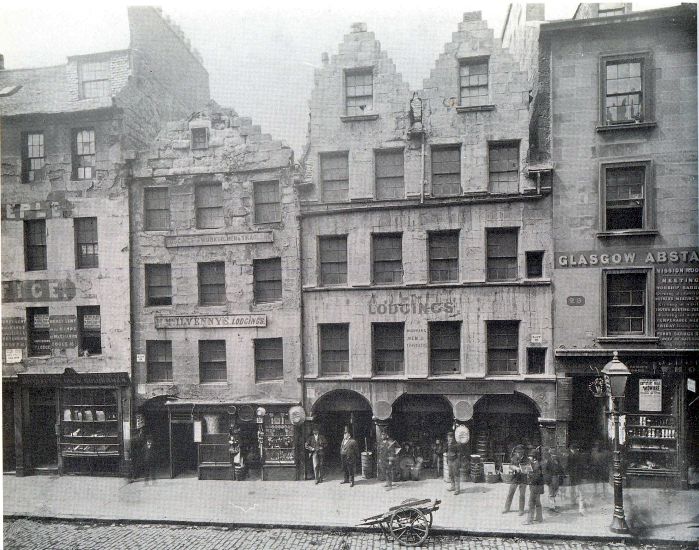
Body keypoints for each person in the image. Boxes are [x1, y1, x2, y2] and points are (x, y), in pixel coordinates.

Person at [503, 444, 528, 515]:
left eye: (519, 452)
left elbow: (529, 468)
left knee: (522, 495)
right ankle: (506, 508)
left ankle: (521, 510)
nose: (518, 454)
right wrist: (515, 468)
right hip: (515, 478)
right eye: (517, 452)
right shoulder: (514, 458)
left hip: (523, 479)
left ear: (523, 452)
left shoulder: (527, 459)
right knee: (510, 493)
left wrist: (524, 469)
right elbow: (510, 466)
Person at [523, 447, 544, 524]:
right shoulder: (537, 463)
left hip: (535, 486)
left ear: (534, 457)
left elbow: (536, 477)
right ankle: (539, 518)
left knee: (531, 502)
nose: (529, 457)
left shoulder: (537, 465)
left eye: (530, 456)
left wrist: (529, 474)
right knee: (537, 502)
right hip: (538, 486)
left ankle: (529, 520)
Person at [542, 448, 565, 512]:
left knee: (555, 491)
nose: (554, 455)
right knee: (551, 492)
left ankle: (553, 505)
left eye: (554, 454)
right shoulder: (548, 461)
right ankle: (551, 507)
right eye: (552, 454)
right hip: (551, 477)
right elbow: (545, 470)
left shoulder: (557, 460)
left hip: (556, 477)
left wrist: (562, 474)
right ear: (550, 454)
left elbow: (560, 468)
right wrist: (547, 480)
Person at [445, 431, 461, 495]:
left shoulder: (457, 444)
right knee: (450, 474)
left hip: (455, 460)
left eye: (451, 437)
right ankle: (452, 486)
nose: (450, 439)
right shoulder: (447, 444)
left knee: (456, 474)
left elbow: (459, 454)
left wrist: (458, 461)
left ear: (453, 438)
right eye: (449, 437)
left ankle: (457, 489)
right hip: (449, 460)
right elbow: (446, 452)